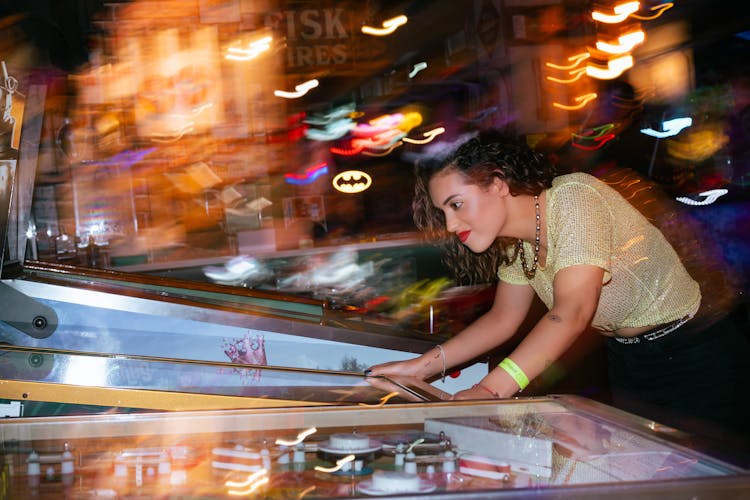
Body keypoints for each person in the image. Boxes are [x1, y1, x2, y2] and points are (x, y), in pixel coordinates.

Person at [367, 130, 749, 442]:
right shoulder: (518, 244)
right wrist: (420, 367)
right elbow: (502, 319)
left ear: (498, 183)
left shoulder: (573, 198)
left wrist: (491, 390)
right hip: (631, 362)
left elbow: (572, 312)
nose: (451, 225)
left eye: (456, 204)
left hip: (698, 354)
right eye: (443, 212)